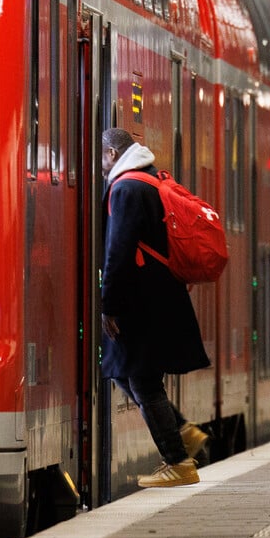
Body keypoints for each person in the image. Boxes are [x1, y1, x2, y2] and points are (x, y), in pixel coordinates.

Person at [100, 127, 211, 488]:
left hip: (140, 299)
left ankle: (178, 461)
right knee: (122, 371)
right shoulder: (148, 180)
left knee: (142, 380)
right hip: (157, 294)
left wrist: (109, 305)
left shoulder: (126, 188)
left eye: (102, 158)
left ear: (112, 154)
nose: (101, 168)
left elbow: (118, 251)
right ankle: (182, 433)